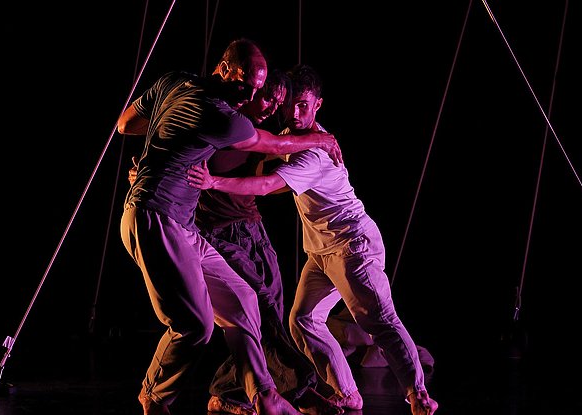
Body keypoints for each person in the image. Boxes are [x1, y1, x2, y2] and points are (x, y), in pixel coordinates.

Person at [186, 64, 439, 415]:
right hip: (321, 251)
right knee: (302, 320)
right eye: (291, 104)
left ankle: (418, 395)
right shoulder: (297, 138)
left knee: (380, 320)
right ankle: (347, 392)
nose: (294, 112)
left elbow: (265, 186)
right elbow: (265, 151)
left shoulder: (312, 154)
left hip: (352, 245)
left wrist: (212, 181)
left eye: (303, 105)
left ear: (318, 104)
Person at [117, 39, 343, 415]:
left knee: (243, 299)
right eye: (245, 87)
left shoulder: (174, 82)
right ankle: (154, 397)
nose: (250, 96)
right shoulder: (222, 116)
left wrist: (162, 143)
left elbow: (127, 124)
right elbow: (268, 145)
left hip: (181, 224)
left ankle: (264, 394)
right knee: (195, 326)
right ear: (223, 69)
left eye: (258, 89)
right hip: (156, 218)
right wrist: (320, 137)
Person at [197, 69, 342, 415]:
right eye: (268, 99)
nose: (273, 108)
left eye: (278, 103)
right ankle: (298, 388)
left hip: (251, 227)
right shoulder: (222, 123)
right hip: (216, 230)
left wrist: (320, 142)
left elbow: (276, 154)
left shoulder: (260, 131)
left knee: (272, 311)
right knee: (258, 306)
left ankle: (228, 392)